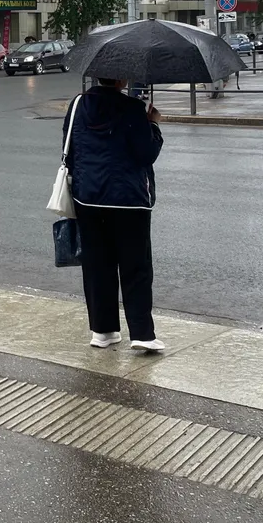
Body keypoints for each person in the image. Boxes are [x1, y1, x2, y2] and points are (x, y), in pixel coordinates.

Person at [62, 78, 165, 353]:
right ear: (121, 78)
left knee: (97, 265)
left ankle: (102, 331)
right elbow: (146, 154)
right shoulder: (133, 108)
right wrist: (153, 123)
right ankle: (142, 332)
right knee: (136, 266)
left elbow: (69, 150)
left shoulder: (77, 105)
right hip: (129, 200)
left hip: (88, 198)